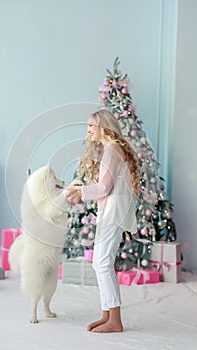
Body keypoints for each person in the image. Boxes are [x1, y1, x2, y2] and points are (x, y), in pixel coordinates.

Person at [66, 108, 141, 333]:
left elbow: (104, 187)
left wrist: (80, 191)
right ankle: (107, 314)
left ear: (102, 126)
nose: (88, 130)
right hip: (111, 211)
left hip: (113, 212)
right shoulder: (114, 148)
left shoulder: (111, 150)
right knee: (100, 262)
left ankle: (114, 320)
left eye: (91, 126)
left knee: (102, 263)